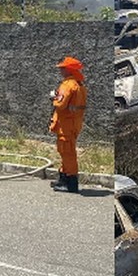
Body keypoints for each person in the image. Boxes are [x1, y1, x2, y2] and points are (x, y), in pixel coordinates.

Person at [49, 56, 87, 193]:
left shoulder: (68, 85)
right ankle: (63, 179)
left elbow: (60, 104)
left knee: (68, 153)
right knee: (65, 152)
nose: (60, 70)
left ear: (69, 70)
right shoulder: (79, 84)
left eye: (63, 68)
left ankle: (71, 184)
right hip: (73, 124)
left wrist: (53, 97)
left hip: (66, 124)